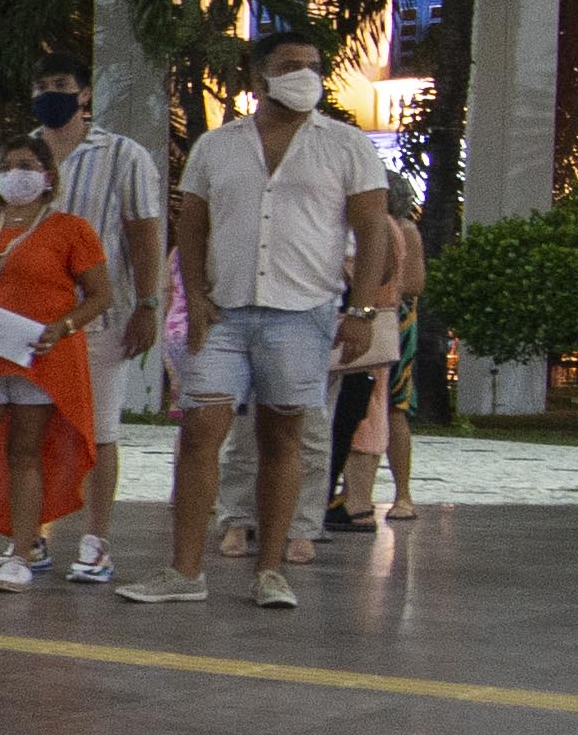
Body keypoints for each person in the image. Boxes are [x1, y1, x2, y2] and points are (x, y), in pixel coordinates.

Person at [122, 32, 400, 611]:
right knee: (200, 432)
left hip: (303, 314)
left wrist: (362, 310)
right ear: (259, 78)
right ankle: (184, 570)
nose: (305, 75)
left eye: (313, 66)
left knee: (283, 438)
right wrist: (193, 295)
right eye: (290, 65)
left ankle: (270, 569)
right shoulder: (216, 146)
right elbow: (192, 225)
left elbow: (372, 228)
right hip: (223, 312)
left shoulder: (346, 145)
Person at [0, 139, 116, 590]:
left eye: (28, 165)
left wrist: (64, 326)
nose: (17, 173)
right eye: (8, 165)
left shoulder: (71, 229)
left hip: (39, 358)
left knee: (24, 452)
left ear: (48, 177)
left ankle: (22, 553)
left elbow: (100, 295)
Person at [30, 65, 166, 580]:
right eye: (42, 87)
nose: (51, 96)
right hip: (30, 320)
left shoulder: (123, 154)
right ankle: (29, 538)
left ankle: (95, 541)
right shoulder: (23, 154)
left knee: (100, 430)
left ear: (84, 94)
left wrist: (148, 304)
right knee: (30, 429)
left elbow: (143, 233)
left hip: (99, 316)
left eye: (61, 87)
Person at [327, 186, 427, 533]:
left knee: (379, 407)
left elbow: (409, 282)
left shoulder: (390, 229)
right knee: (372, 407)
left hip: (382, 321)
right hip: (378, 318)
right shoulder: (383, 228)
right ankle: (353, 498)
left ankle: (367, 499)